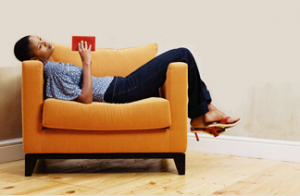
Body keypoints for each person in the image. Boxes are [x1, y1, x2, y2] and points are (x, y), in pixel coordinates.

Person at [14, 35, 240, 140]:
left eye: (42, 39)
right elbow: (84, 98)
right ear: (34, 59)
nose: (46, 43)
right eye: (40, 46)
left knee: (182, 59)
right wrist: (86, 61)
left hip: (118, 86)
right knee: (182, 53)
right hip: (118, 91)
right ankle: (202, 114)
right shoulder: (51, 71)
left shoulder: (55, 66)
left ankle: (205, 110)